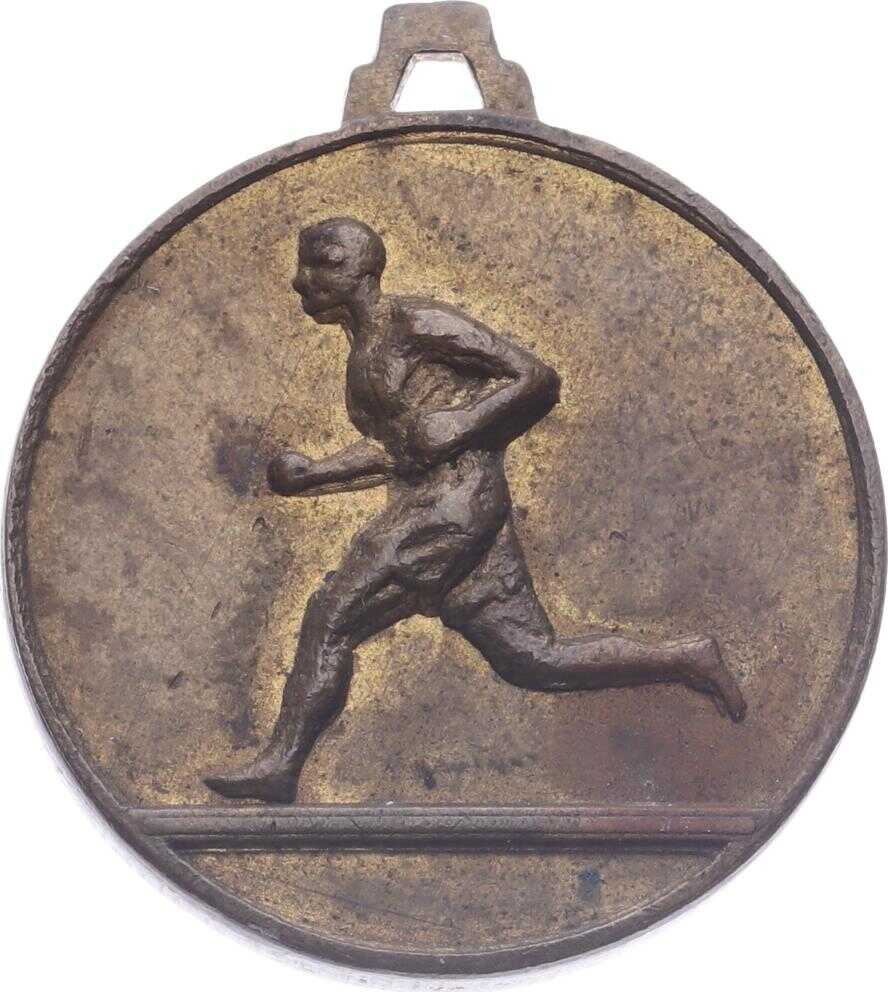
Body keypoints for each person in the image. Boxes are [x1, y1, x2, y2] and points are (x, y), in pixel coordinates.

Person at [205, 217, 746, 803]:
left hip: (449, 509)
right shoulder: (362, 351)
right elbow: (402, 447)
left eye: (321, 263)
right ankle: (687, 657)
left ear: (361, 269)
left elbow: (534, 377)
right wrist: (318, 473)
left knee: (331, 615)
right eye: (303, 265)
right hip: (456, 509)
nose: (301, 280)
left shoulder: (417, 322)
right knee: (532, 660)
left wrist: (463, 422)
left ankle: (282, 766)